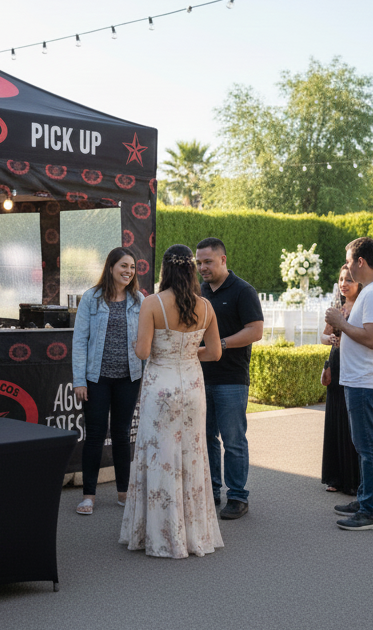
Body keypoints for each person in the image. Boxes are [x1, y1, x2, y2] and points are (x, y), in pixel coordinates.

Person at [120, 244, 224, 558]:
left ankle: (159, 534)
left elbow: (141, 351)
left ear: (164, 269)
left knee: (159, 455)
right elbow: (216, 353)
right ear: (192, 270)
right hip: (192, 386)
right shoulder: (205, 306)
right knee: (191, 456)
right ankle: (193, 534)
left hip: (160, 386)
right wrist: (189, 353)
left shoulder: (152, 302)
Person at [324, 237, 373, 531]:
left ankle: (371, 511)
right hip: (361, 378)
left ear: (360, 262)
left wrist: (340, 324)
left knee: (368, 447)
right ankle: (366, 499)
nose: (349, 268)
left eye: (350, 261)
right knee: (363, 445)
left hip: (367, 381)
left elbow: (372, 338)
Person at [71, 247, 144, 516]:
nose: (128, 271)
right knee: (95, 436)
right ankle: (88, 495)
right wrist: (80, 380)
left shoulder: (139, 300)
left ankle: (124, 493)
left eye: (132, 267)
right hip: (96, 379)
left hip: (129, 377)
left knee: (123, 435)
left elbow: (147, 341)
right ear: (111, 266)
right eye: (123, 265)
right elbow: (79, 341)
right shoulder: (92, 298)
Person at [195, 237, 264, 520]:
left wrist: (219, 344)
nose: (202, 268)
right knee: (206, 438)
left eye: (208, 262)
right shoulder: (198, 291)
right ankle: (211, 490)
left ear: (223, 260)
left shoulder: (243, 291)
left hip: (232, 379)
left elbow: (255, 331)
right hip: (200, 377)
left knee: (233, 439)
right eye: (199, 263)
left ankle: (237, 496)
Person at [319, 264, 361, 495]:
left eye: (349, 280)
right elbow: (324, 336)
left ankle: (352, 479)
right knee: (335, 419)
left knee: (350, 421)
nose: (344, 283)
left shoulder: (364, 306)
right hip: (336, 363)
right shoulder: (338, 307)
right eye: (342, 279)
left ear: (359, 283)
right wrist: (331, 342)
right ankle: (334, 476)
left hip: (354, 366)